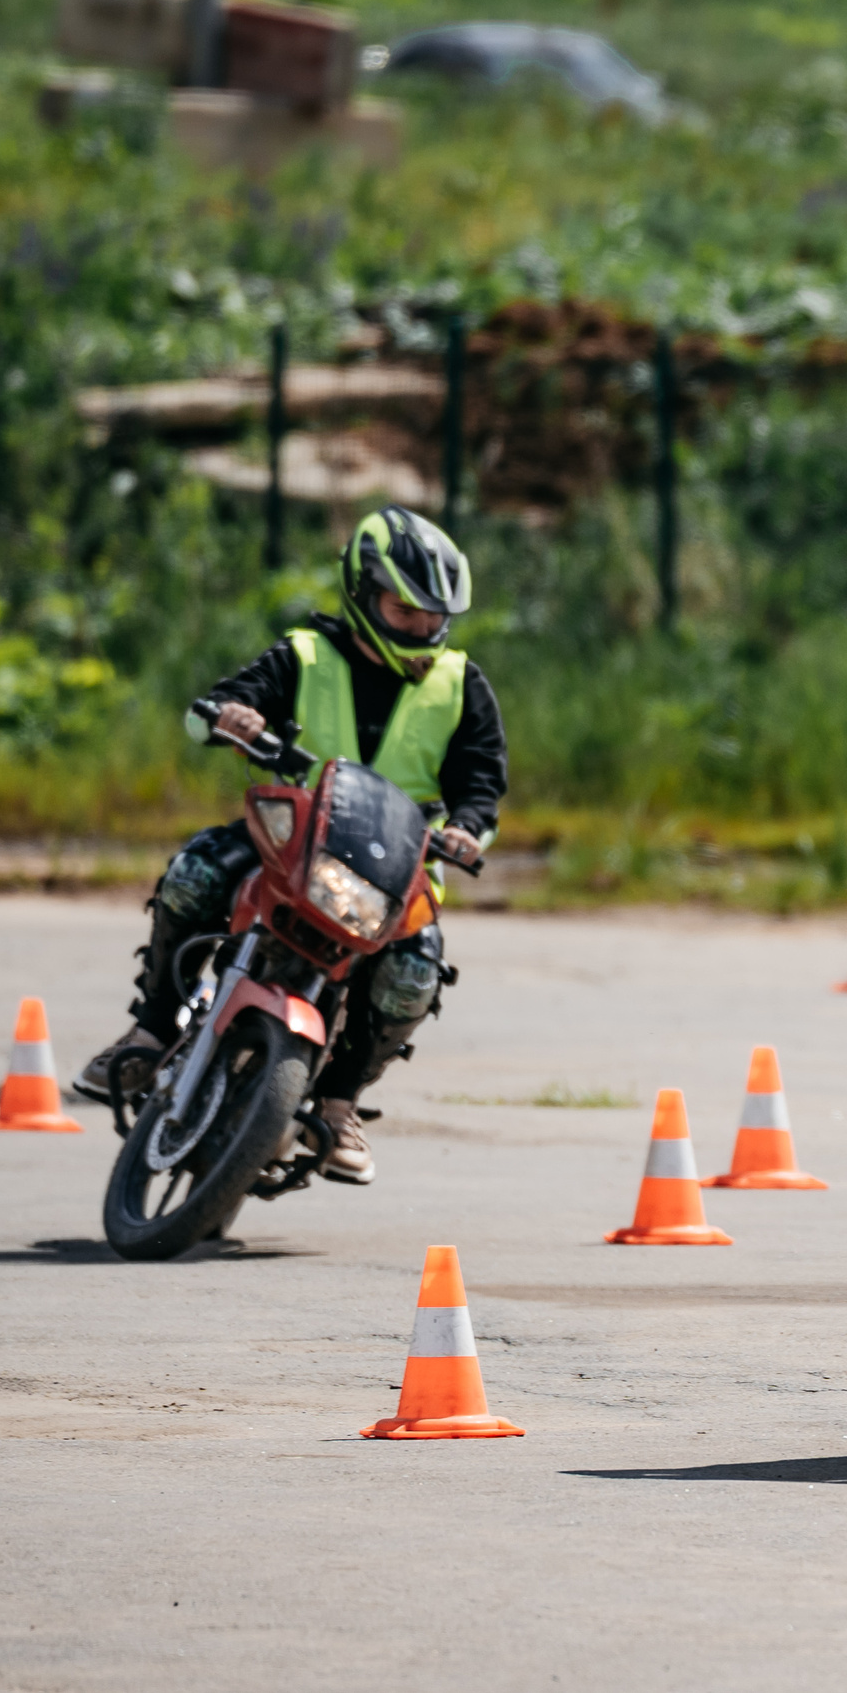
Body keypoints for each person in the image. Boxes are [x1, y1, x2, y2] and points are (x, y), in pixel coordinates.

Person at [75, 507, 506, 1185]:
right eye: (405, 609)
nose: (423, 628)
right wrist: (233, 714)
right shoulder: (306, 655)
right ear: (363, 594)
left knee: (414, 971)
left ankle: (339, 1103)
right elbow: (213, 709)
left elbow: (483, 783)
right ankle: (152, 1031)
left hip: (399, 869)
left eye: (434, 615)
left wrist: (469, 828)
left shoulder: (461, 686)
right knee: (194, 873)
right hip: (294, 841)